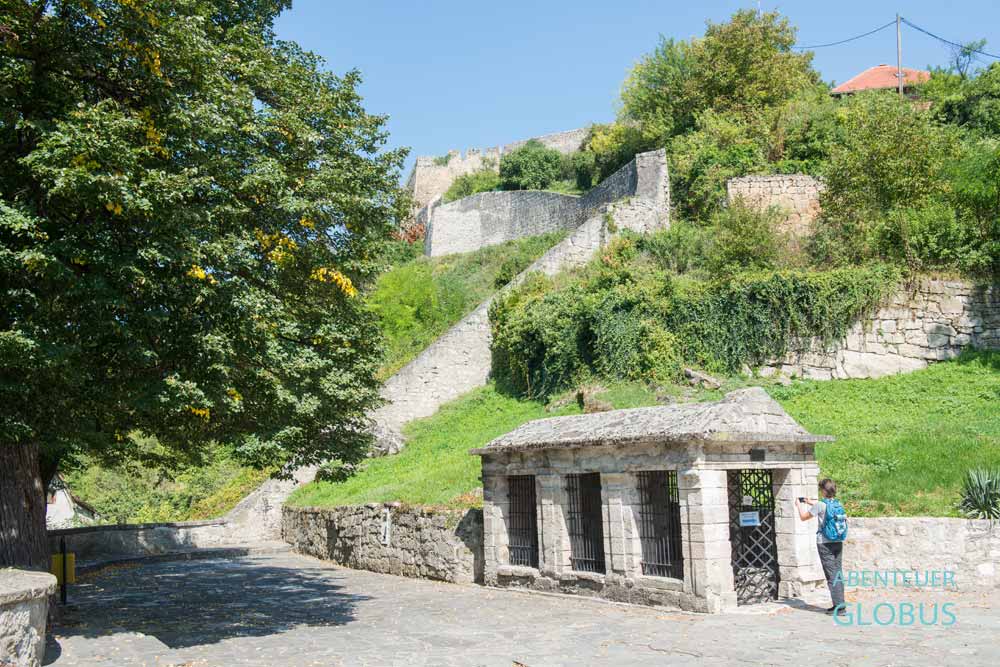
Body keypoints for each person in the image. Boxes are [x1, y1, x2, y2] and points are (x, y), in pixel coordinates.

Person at [795, 478, 846, 615]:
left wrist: (799, 505)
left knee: (831, 575)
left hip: (824, 543)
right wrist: (808, 501)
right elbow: (821, 506)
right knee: (838, 573)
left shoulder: (820, 505)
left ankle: (839, 608)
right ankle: (840, 604)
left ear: (823, 490)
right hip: (838, 541)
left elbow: (804, 517)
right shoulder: (837, 503)